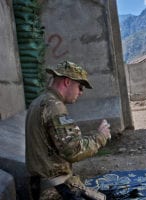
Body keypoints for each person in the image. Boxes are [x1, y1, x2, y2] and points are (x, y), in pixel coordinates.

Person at [25, 60, 111, 200]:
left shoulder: (39, 102)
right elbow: (73, 150)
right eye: (80, 87)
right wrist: (100, 136)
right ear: (67, 82)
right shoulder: (54, 106)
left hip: (42, 185)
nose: (81, 92)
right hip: (54, 191)